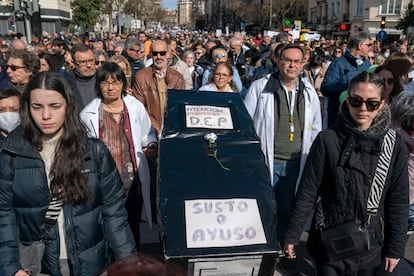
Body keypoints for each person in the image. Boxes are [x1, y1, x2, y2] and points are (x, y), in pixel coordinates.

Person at [0, 72, 136, 276]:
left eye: (55, 106)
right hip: (36, 266)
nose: (46, 116)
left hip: (91, 264)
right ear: (28, 108)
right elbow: (4, 215)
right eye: (37, 107)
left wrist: (129, 263)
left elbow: (114, 214)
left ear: (68, 106)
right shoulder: (12, 153)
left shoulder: (93, 152)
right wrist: (11, 268)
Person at [284, 72, 408, 275]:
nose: (363, 109)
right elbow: (307, 192)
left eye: (372, 103)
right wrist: (292, 235)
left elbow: (397, 200)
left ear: (383, 103)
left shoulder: (393, 144)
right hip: (329, 240)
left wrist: (395, 249)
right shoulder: (327, 139)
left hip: (370, 245)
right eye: (356, 101)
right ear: (347, 99)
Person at [243, 44, 322, 247]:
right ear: (277, 61)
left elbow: (316, 129)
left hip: (295, 163)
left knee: (288, 209)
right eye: (287, 60)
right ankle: (261, 247)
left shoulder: (309, 92)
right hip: (267, 161)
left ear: (303, 63)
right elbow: (246, 124)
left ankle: (279, 248)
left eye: (297, 61)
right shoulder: (261, 87)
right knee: (263, 208)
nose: (292, 65)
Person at [80, 62, 157, 247]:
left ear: (123, 84)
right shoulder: (87, 114)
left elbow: (148, 133)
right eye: (105, 83)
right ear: (98, 85)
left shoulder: (135, 106)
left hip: (132, 179)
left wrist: (152, 145)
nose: (110, 87)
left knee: (132, 225)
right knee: (108, 227)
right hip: (105, 183)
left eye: (115, 82)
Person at [132, 39, 185, 136]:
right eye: (155, 53)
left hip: (172, 132)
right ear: (151, 55)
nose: (159, 57)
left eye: (162, 53)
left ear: (167, 54)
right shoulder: (141, 77)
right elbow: (139, 108)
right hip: (148, 131)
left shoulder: (178, 78)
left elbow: (180, 108)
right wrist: (157, 128)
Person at [321, 32, 372, 127]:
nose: (370, 48)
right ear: (360, 46)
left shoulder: (367, 65)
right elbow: (326, 88)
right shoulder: (339, 63)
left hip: (360, 117)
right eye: (368, 45)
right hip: (339, 117)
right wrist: (350, 87)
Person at [63, 43, 98, 110]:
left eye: (91, 61)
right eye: (82, 62)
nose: (88, 65)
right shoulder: (67, 83)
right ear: (73, 63)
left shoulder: (103, 78)